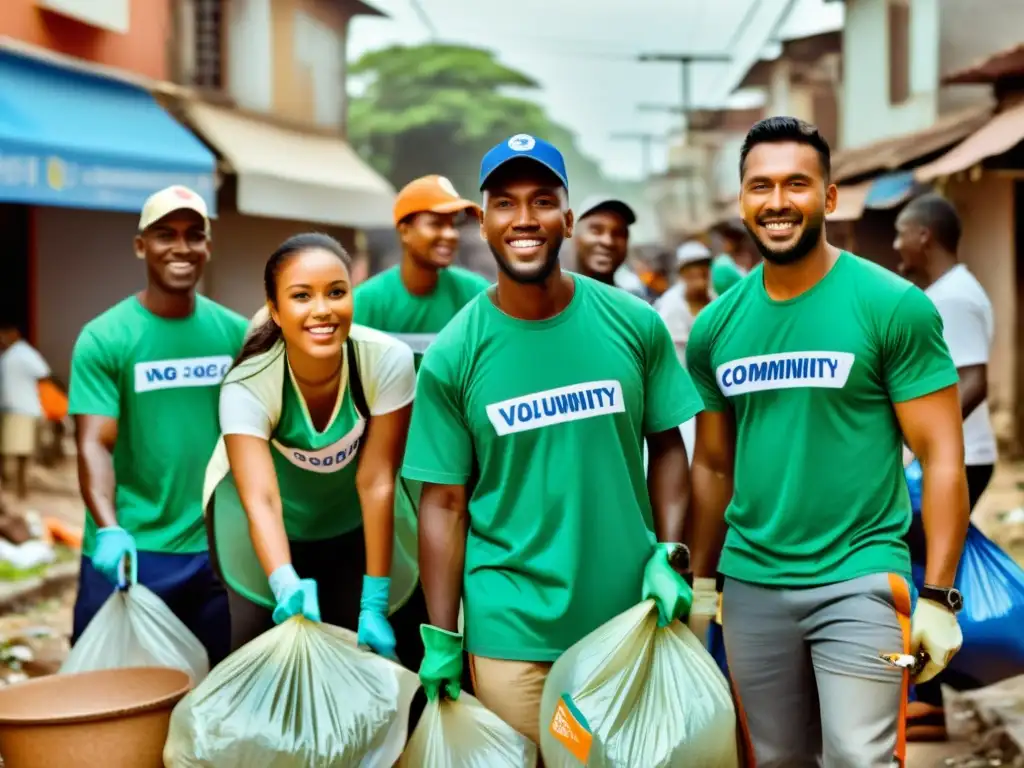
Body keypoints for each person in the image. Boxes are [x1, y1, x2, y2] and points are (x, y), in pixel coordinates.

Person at [684, 117, 968, 767]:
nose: (777, 201)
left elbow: (943, 456)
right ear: (742, 200)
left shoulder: (892, 306)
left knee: (860, 757)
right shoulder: (715, 329)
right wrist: (704, 583)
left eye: (796, 184)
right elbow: (712, 463)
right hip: (752, 586)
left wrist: (939, 597)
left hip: (864, 579)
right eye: (761, 186)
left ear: (829, 198)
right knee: (775, 759)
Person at [403, 133, 703, 746]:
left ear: (567, 219)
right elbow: (442, 501)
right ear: (482, 223)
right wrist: (441, 634)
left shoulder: (635, 324)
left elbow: (669, 447)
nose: (524, 218)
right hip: (509, 628)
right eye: (505, 203)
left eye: (542, 200)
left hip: (622, 617)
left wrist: (671, 554)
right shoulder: (455, 353)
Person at [202, 233, 424, 667]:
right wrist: (284, 582)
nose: (322, 310)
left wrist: (374, 600)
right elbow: (261, 500)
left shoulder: (386, 360)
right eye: (301, 296)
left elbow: (378, 480)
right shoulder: (248, 383)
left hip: (352, 519)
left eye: (336, 293)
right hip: (258, 526)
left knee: (377, 653)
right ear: (274, 309)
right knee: (260, 660)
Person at [68, 185, 248, 666]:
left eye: (195, 235)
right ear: (140, 245)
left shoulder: (236, 334)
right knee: (111, 700)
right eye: (165, 234)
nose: (181, 247)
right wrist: (109, 529)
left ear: (208, 246)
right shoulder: (105, 338)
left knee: (211, 693)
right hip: (131, 551)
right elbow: (93, 444)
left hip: (214, 553)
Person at [894, 192, 997, 732]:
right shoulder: (946, 292)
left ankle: (927, 699)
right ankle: (927, 695)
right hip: (953, 455)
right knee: (921, 571)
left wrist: (921, 443)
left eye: (900, 234)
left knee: (923, 574)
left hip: (958, 458)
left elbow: (975, 380)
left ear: (924, 236)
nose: (895, 245)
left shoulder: (953, 297)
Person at [353, 175, 489, 362]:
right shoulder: (365, 303)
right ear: (405, 231)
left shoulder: (476, 295)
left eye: (453, 224)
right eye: (436, 224)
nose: (450, 234)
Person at [0, 325, 53, 499]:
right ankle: (9, 486)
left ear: (13, 333)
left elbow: (44, 374)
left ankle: (21, 489)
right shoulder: (7, 354)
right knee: (8, 450)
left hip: (23, 408)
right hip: (9, 408)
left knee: (21, 451)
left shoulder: (24, 353)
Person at [655, 240, 714, 366]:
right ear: (682, 272)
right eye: (693, 266)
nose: (700, 271)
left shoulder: (714, 298)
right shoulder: (671, 306)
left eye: (704, 264)